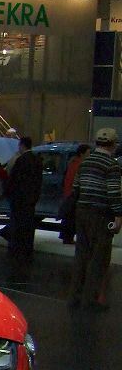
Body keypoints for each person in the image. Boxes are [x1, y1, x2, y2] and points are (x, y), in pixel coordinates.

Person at [67, 128, 122, 311]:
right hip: (101, 215)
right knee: (98, 258)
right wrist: (118, 216)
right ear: (113, 145)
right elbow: (113, 193)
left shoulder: (85, 163)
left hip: (82, 212)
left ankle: (74, 296)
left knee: (81, 255)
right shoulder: (111, 165)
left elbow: (76, 188)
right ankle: (89, 299)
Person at [5, 136, 42, 259]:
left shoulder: (21, 160)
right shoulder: (37, 160)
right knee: (29, 224)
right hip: (31, 198)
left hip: (19, 198)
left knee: (17, 223)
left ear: (22, 145)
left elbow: (14, 179)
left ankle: (16, 248)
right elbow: (39, 180)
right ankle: (27, 248)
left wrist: (8, 193)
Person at [59, 144, 90, 245]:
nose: (89, 155)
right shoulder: (80, 164)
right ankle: (68, 238)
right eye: (88, 153)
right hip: (73, 194)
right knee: (71, 218)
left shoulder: (72, 162)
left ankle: (67, 237)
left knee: (68, 217)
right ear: (82, 154)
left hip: (68, 193)